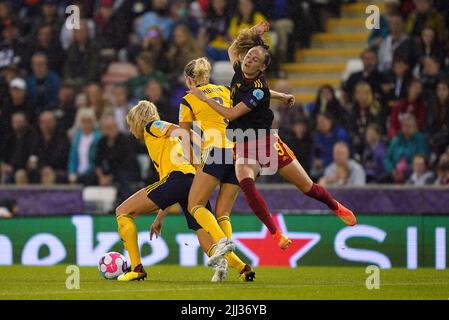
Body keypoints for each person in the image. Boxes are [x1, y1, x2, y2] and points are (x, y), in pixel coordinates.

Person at [187, 22, 357, 253]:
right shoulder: (240, 71)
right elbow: (231, 50)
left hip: (267, 143)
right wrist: (252, 34)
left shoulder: (257, 90)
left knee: (306, 186)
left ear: (262, 68)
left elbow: (231, 113)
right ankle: (276, 232)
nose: (248, 59)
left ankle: (335, 206)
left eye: (255, 59)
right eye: (249, 55)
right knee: (247, 185)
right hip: (243, 144)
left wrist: (203, 98)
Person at [115, 100, 249, 282]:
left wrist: (204, 145)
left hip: (178, 179)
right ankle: (242, 267)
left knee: (122, 212)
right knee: (205, 238)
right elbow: (170, 191)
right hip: (190, 182)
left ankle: (136, 268)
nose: (131, 130)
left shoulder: (151, 126)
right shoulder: (161, 141)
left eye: (130, 125)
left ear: (138, 120)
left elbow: (183, 132)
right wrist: (160, 217)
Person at [179, 57, 255, 280]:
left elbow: (184, 135)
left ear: (189, 79)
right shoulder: (223, 90)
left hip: (215, 152)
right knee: (223, 212)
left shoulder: (188, 98)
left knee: (195, 204)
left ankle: (222, 244)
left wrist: (193, 162)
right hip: (238, 152)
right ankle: (232, 265)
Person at [95, 115, 140, 202]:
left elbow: (127, 162)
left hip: (127, 170)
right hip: (110, 171)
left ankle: (128, 205)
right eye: (108, 128)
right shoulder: (102, 142)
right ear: (103, 129)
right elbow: (97, 162)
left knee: (122, 177)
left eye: (113, 127)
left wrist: (109, 178)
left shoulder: (126, 140)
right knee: (90, 177)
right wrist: (101, 177)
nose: (111, 130)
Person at [383, 114, 430, 183]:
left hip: (412, 173)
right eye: (405, 126)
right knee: (380, 181)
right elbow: (387, 158)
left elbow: (422, 160)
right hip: (394, 173)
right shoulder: (396, 139)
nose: (407, 129)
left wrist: (404, 172)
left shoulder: (421, 140)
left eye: (410, 126)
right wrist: (392, 170)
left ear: (415, 127)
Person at [68, 108, 102, 185]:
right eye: (84, 122)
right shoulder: (77, 137)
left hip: (91, 173)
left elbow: (96, 160)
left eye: (89, 122)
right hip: (77, 172)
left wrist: (85, 173)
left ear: (93, 122)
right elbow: (73, 157)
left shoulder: (98, 137)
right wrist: (72, 172)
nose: (86, 124)